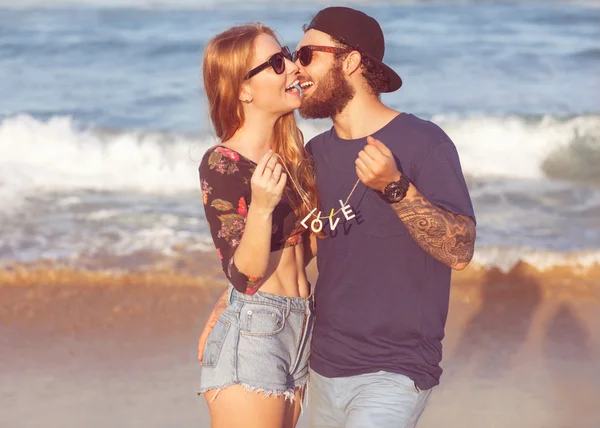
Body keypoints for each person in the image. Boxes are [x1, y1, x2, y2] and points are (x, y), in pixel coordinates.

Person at [199, 7, 477, 428]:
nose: (296, 68)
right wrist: (234, 299)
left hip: (396, 367)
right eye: (289, 57)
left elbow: (460, 250)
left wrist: (396, 188)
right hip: (318, 361)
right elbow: (303, 241)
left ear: (349, 62)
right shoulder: (313, 157)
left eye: (306, 56)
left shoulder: (421, 142)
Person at [196, 23, 319, 428]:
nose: (290, 67)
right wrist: (262, 206)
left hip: (299, 327)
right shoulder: (222, 163)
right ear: (242, 90)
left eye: (286, 54)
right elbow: (246, 275)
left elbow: (307, 248)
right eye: (275, 62)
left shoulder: (294, 155)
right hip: (255, 331)